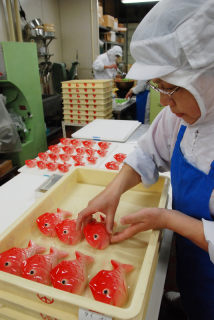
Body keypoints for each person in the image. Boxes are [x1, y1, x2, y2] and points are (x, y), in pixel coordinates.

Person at [77, 1, 214, 319]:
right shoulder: (180, 115)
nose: (165, 102)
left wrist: (168, 219)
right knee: (194, 295)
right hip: (195, 266)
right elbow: (147, 152)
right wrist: (113, 190)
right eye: (159, 87)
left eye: (173, 89)